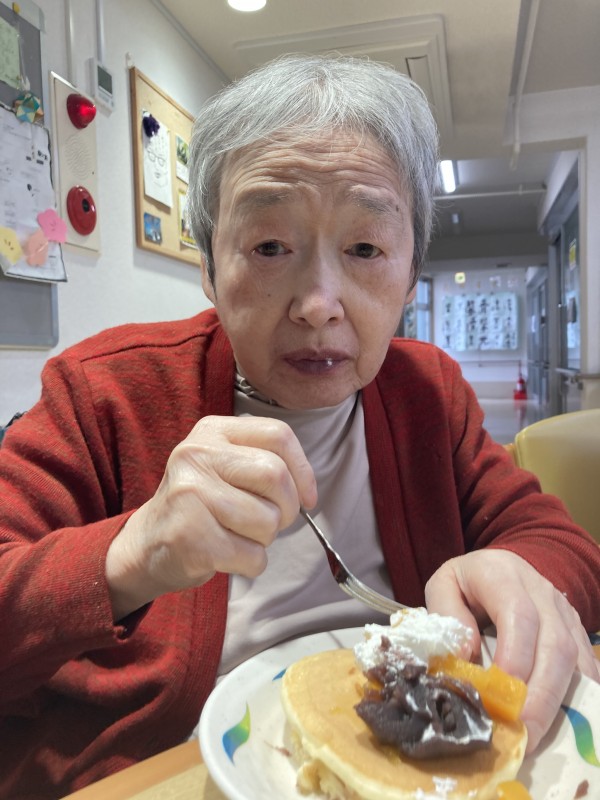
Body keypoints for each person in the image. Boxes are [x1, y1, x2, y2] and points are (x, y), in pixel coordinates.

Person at [0, 53, 598, 798]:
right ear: (209, 267)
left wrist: (521, 575)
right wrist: (131, 553)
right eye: (270, 247)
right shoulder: (104, 391)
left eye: (365, 249)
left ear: (411, 274)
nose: (318, 303)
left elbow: (558, 542)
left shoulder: (426, 392)